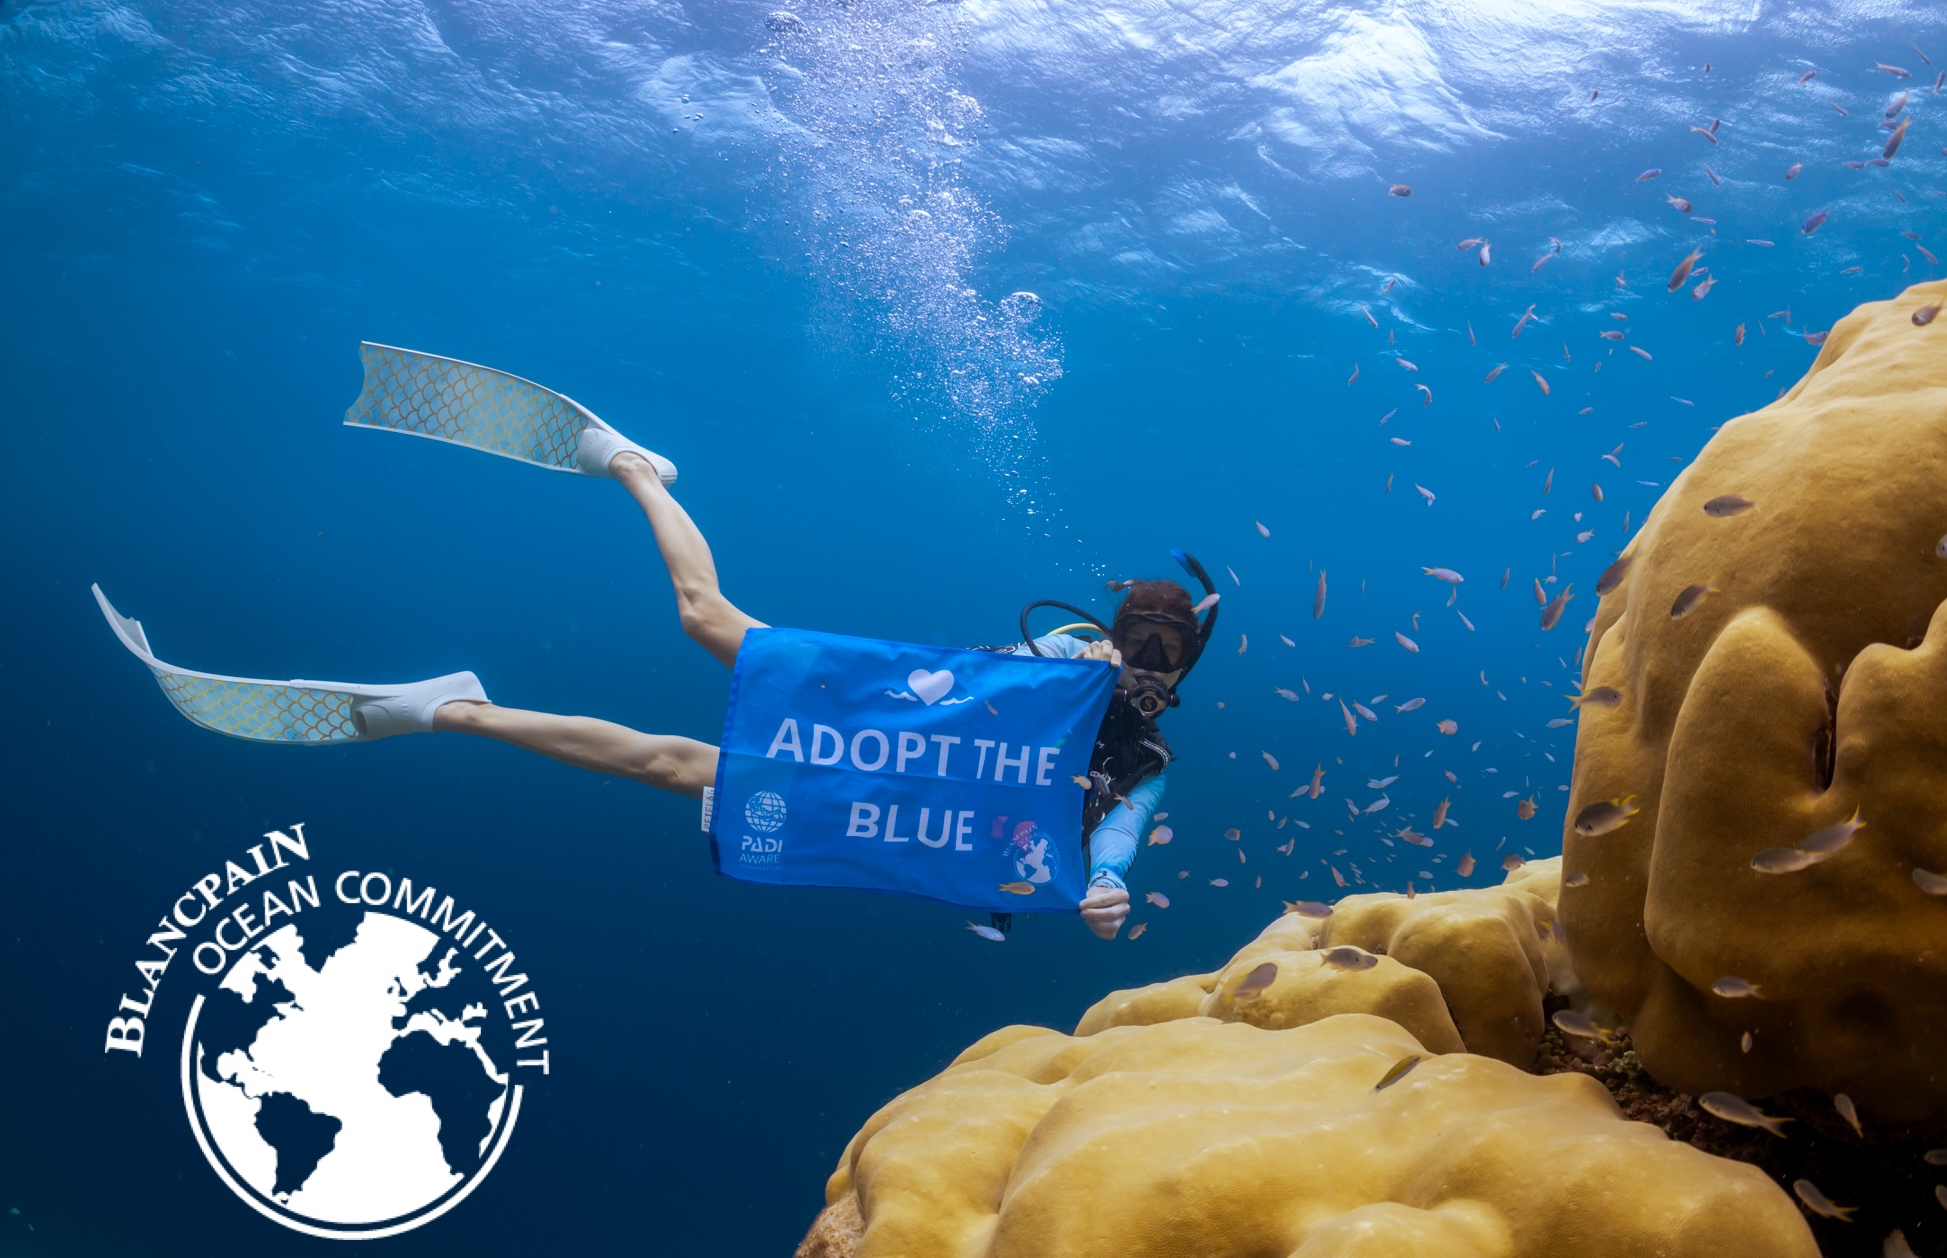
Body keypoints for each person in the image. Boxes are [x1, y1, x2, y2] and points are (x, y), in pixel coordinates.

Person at [96, 346, 1212, 938]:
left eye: (1168, 650)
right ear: (1112, 629)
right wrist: (1078, 661)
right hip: (889, 728)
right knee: (702, 618)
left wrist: (1105, 894)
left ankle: (446, 708)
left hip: (901, 809)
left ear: (1186, 668)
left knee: (673, 765)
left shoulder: (1147, 759)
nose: (1147, 659)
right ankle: (631, 462)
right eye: (1137, 637)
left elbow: (1120, 835)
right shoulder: (1071, 663)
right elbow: (1011, 679)